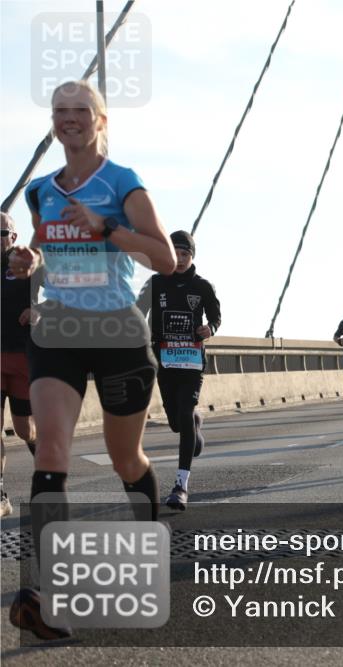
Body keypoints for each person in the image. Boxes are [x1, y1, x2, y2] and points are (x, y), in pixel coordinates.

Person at [8, 80, 177, 639]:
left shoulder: (123, 183)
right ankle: (51, 593)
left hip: (117, 332)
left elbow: (165, 259)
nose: (69, 118)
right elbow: (48, 251)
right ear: (53, 123)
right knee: (50, 451)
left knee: (126, 458)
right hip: (58, 328)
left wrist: (108, 228)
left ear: (100, 120)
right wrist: (28, 262)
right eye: (60, 111)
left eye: (80, 110)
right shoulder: (39, 191)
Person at [140, 230, 220, 512]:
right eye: (175, 254)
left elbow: (216, 316)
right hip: (164, 360)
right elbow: (138, 311)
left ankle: (180, 485)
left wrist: (209, 328)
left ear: (192, 256)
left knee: (184, 411)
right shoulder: (155, 283)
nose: (181, 259)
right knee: (177, 422)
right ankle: (194, 425)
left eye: (185, 254)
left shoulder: (202, 286)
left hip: (191, 360)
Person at [1, 212, 41, 518]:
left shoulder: (26, 261)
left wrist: (36, 309)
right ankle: (1, 494)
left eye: (2, 233)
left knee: (25, 429)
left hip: (22, 358)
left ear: (13, 237)